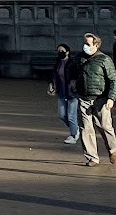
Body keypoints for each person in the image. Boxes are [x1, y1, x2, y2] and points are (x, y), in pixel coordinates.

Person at [75, 32, 116, 167]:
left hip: (101, 99)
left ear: (96, 45)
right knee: (86, 129)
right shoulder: (79, 58)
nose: (85, 46)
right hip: (83, 98)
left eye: (88, 44)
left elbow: (113, 80)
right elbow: (71, 70)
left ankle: (113, 150)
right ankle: (92, 157)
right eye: (84, 43)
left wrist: (111, 98)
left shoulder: (105, 60)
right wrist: (71, 81)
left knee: (104, 126)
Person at [49, 42, 81, 144]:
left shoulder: (72, 62)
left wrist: (75, 86)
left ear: (67, 52)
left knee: (71, 115)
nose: (60, 53)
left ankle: (74, 135)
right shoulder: (57, 62)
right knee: (62, 114)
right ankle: (76, 128)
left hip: (72, 91)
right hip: (61, 90)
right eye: (58, 51)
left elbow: (76, 75)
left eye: (62, 51)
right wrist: (51, 84)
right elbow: (54, 75)